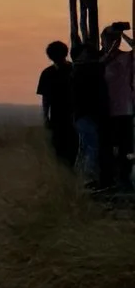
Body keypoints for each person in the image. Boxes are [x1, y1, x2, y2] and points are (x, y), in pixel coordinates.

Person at [72, 37, 109, 186]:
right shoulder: (83, 71)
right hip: (86, 114)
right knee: (91, 147)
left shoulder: (77, 70)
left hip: (84, 115)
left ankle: (85, 177)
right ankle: (88, 178)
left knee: (87, 146)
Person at [37, 39, 80, 168]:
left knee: (60, 147)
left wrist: (45, 116)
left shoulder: (47, 73)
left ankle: (65, 171)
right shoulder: (74, 69)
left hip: (59, 115)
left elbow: (46, 99)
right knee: (71, 146)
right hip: (71, 114)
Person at [104, 23, 134, 191]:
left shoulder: (127, 57)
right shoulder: (101, 59)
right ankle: (113, 180)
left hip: (124, 109)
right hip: (107, 110)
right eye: (110, 39)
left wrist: (123, 36)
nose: (113, 41)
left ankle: (124, 179)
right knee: (110, 149)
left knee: (126, 149)